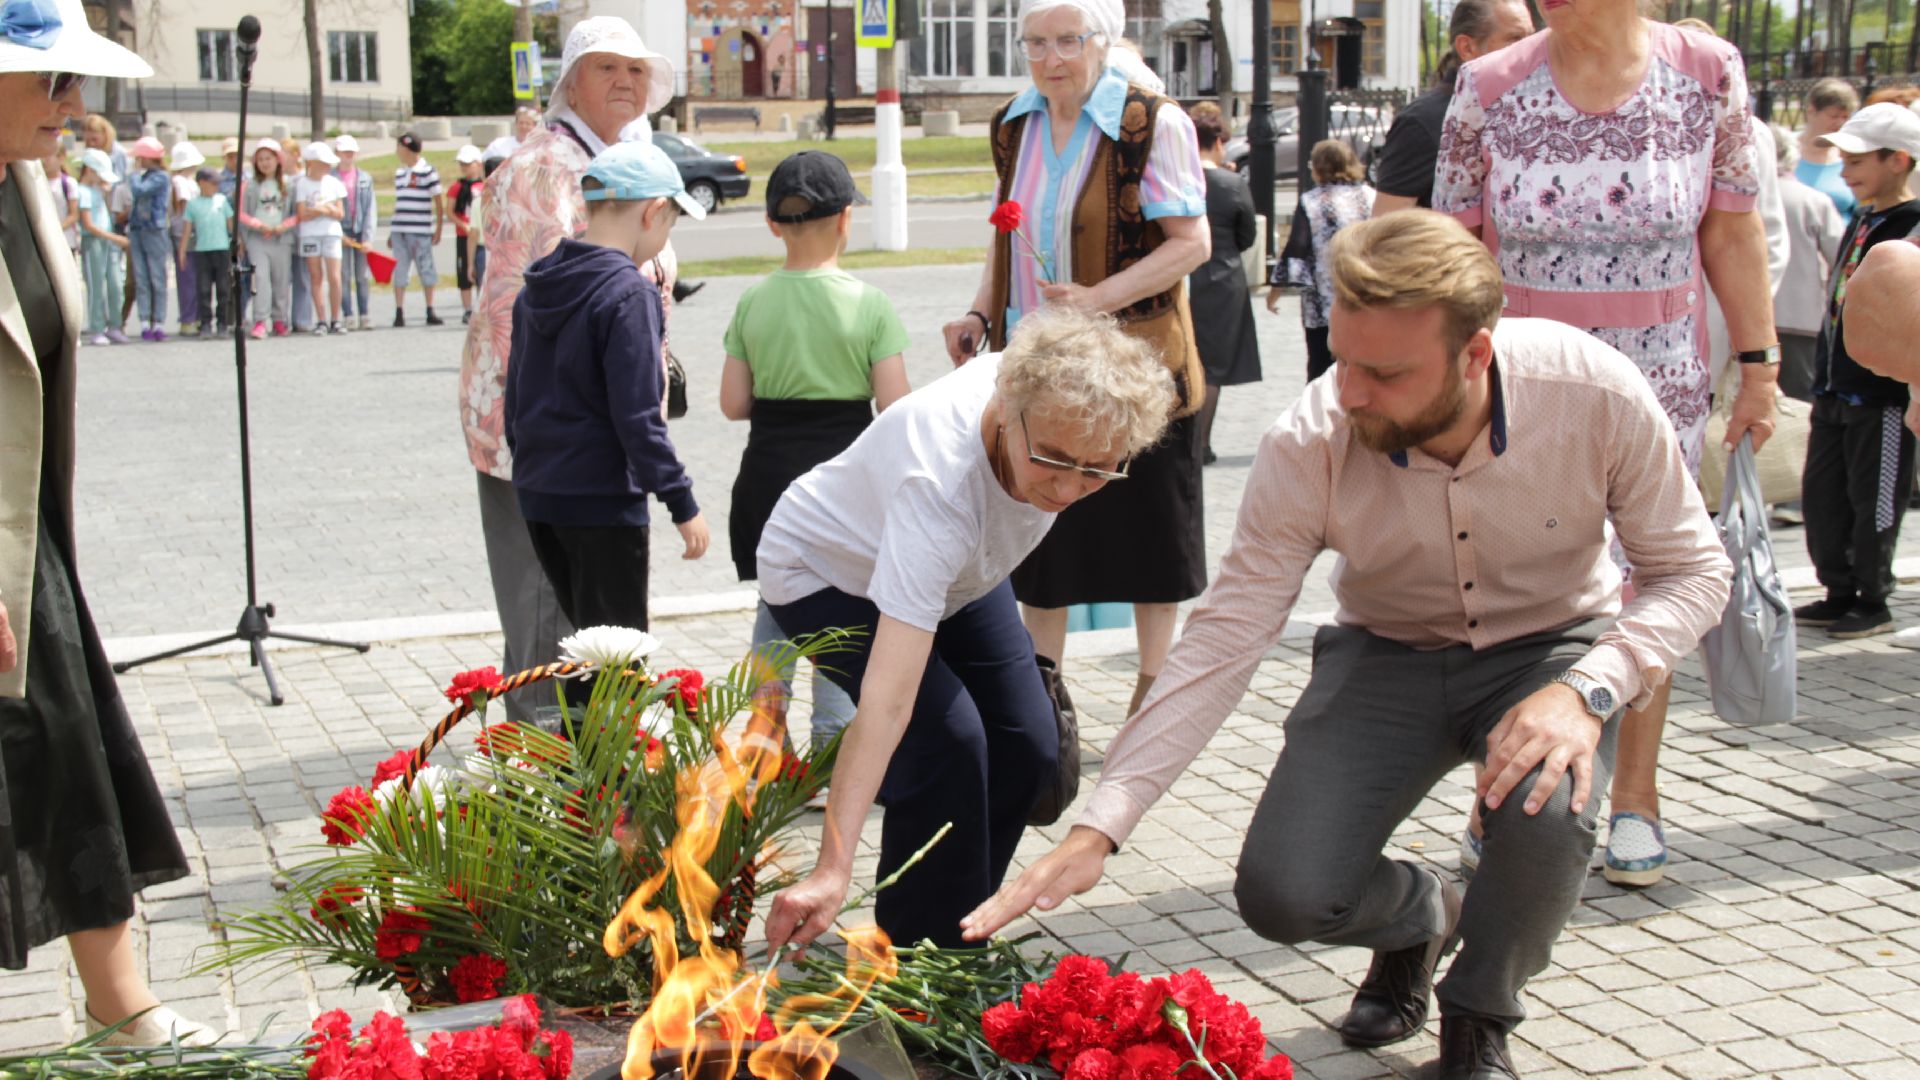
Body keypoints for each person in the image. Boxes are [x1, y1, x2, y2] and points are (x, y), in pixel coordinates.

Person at [960, 213, 1734, 1080]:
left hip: (1552, 650)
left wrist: (1591, 689)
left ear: (1475, 354)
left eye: (1385, 372)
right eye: (1344, 359)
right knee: (1283, 894)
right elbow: (1227, 633)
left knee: (1546, 806)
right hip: (1386, 654)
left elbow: (1695, 573)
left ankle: (1480, 1017)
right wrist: (1104, 825)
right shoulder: (1313, 434)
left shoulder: (1592, 390)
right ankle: (1422, 915)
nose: (1350, 392)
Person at [1432, 0, 1780, 890]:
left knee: (1649, 584)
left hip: (1658, 385)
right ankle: (1497, 793)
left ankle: (1636, 793)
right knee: (1518, 582)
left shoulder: (1707, 75)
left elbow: (1732, 230)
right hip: (1523, 382)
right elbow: (1451, 248)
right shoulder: (1489, 86)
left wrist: (1761, 367)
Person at [761, 306, 1177, 954]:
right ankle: (917, 965)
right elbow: (887, 702)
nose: (1068, 490)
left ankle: (958, 927)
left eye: (1097, 471)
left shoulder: (1049, 397)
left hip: (959, 576)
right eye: (1053, 461)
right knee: (947, 744)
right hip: (828, 572)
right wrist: (831, 866)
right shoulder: (940, 480)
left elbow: (1077, 345)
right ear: (1006, 408)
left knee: (1029, 743)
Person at [0, 0, 217, 1046]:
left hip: (26, 534)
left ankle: (119, 1003)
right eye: (52, 81)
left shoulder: (24, 180)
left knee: (71, 743)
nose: (74, 105)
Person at [940, 0, 1211, 719]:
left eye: (1067, 40)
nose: (1050, 57)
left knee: (1150, 534)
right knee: (1038, 540)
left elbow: (1192, 244)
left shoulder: (1151, 123)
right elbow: (1008, 236)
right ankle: (1042, 690)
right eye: (1034, 42)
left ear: (1104, 40)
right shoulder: (1014, 125)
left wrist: (1100, 297)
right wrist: (978, 311)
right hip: (1039, 371)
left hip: (1134, 371)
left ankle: (1153, 691)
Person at [460, 15, 677, 726]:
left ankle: (568, 768)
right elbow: (569, 305)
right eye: (606, 67)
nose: (625, 81)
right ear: (570, 84)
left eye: (637, 70)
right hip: (553, 430)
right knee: (549, 613)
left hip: (576, 424)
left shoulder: (610, 159)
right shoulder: (551, 167)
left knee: (571, 613)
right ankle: (545, 785)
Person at [720, 151, 910, 762]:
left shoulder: (752, 302)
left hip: (769, 480)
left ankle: (764, 745)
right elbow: (896, 406)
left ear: (773, 225)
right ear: (846, 218)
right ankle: (833, 755)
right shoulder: (870, 304)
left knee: (775, 614)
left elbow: (732, 402)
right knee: (841, 623)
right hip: (842, 488)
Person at [503, 140, 709, 653]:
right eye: (670, 224)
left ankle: (583, 736)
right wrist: (682, 502)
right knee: (616, 661)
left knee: (585, 653)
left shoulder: (538, 287)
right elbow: (639, 418)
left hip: (540, 494)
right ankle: (606, 739)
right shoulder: (628, 292)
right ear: (654, 211)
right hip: (603, 501)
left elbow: (515, 402)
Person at [1792, 103, 1920, 641]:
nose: (1845, 171)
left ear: (1899, 160)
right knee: (1823, 493)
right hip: (1834, 383)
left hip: (1881, 393)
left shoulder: (1912, 225)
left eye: (1858, 160)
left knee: (1875, 496)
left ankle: (1872, 596)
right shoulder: (1863, 215)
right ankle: (1837, 587)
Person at [1369, 0, 1534, 216]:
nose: (1530, 50)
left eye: (1532, 39)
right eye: (1515, 39)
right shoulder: (1421, 122)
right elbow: (1386, 226)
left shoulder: (1526, 110)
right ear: (1467, 47)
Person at [1186, 101, 1260, 464]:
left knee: (1183, 358)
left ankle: (1182, 443)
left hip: (1182, 276)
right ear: (1217, 142)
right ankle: (1202, 444)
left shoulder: (1180, 180)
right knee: (1212, 367)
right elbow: (1248, 235)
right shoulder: (1232, 183)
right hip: (1223, 278)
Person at [1274, 139, 1374, 384]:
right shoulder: (1371, 196)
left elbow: (1297, 246)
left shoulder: (1312, 201)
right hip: (1367, 296)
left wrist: (1276, 289)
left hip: (1323, 302)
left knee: (1321, 368)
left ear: (1318, 168)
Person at [1774, 122, 1847, 403]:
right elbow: (1840, 260)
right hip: (1799, 318)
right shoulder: (1812, 200)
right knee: (1799, 403)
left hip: (1739, 321)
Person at [239, 137, 294, 338]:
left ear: (278, 160)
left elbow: (297, 213)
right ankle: (260, 320)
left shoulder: (288, 184)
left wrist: (284, 226)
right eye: (260, 159)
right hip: (258, 239)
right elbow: (241, 212)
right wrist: (258, 225)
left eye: (269, 158)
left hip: (281, 239)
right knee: (260, 278)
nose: (265, 163)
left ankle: (280, 319)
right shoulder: (250, 185)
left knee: (281, 280)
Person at [390, 131, 444, 327]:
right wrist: (391, 230)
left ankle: (430, 309)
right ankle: (399, 310)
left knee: (426, 267)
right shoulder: (400, 173)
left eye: (400, 147)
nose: (397, 151)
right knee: (400, 269)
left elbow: (438, 200)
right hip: (400, 229)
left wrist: (437, 228)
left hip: (420, 229)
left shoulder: (428, 171)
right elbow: (399, 203)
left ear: (408, 149)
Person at [75, 147, 128, 344]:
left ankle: (115, 324)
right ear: (89, 170)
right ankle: (97, 326)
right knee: (96, 286)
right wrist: (116, 238)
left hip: (107, 241)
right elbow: (89, 224)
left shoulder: (97, 190)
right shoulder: (82, 191)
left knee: (115, 283)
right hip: (94, 242)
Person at [294, 140, 346, 335]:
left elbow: (340, 213)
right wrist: (325, 209)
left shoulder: (334, 183)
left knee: (335, 276)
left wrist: (320, 210)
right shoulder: (302, 184)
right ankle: (321, 319)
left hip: (331, 233)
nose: (327, 167)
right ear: (311, 163)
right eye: (323, 163)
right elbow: (302, 213)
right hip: (310, 234)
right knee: (316, 276)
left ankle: (336, 318)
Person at [176, 165, 233, 339]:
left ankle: (223, 323)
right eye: (213, 183)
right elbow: (187, 229)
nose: (216, 187)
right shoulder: (193, 204)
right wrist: (182, 250)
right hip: (202, 251)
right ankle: (205, 323)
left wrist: (239, 244)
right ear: (202, 183)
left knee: (224, 289)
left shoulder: (222, 200)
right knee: (203, 289)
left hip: (222, 249)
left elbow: (230, 225)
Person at [125, 136, 169, 341]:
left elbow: (140, 191)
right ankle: (144, 321)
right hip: (137, 229)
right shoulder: (143, 176)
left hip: (154, 230)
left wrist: (134, 175)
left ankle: (158, 321)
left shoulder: (160, 177)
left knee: (157, 278)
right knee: (141, 278)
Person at [1798, 79, 1861, 217]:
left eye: (1845, 117)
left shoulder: (1849, 154)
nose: (1840, 122)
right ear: (1811, 110)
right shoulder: (1787, 152)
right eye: (1834, 116)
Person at [334, 133, 376, 331]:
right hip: (341, 230)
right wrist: (337, 233)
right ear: (338, 153)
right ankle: (348, 313)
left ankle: (364, 313)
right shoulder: (331, 178)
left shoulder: (365, 178)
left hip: (360, 231)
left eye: (351, 152)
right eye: (344, 152)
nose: (348, 155)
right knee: (343, 274)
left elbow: (370, 209)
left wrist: (368, 237)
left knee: (362, 275)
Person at [166, 140, 203, 336]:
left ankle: (193, 316)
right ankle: (188, 318)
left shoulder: (187, 180)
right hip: (184, 234)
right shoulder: (180, 181)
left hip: (191, 233)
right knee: (187, 277)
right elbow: (184, 204)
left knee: (194, 277)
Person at [449, 144, 486, 324]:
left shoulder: (484, 186)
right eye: (462, 164)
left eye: (467, 164)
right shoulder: (457, 186)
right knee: (464, 269)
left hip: (479, 235)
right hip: (463, 233)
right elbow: (450, 210)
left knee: (481, 272)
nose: (464, 167)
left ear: (478, 164)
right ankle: (467, 308)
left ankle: (481, 305)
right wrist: (462, 224)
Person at [43, 149, 78, 262]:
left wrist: (55, 230)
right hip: (44, 240)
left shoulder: (68, 183)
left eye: (48, 156)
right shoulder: (38, 182)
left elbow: (74, 215)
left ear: (61, 158)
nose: (44, 161)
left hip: (65, 239)